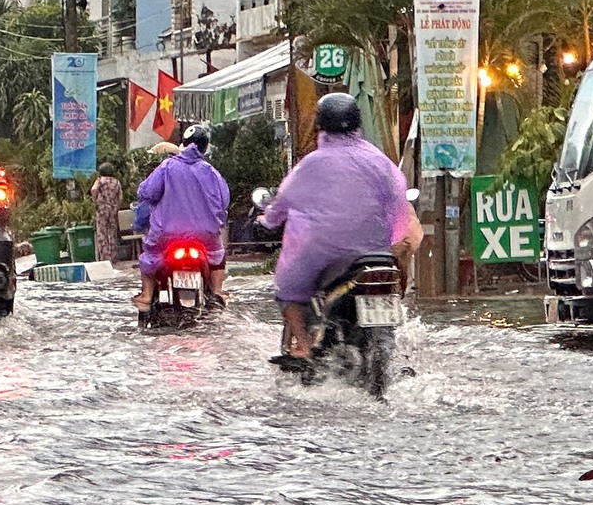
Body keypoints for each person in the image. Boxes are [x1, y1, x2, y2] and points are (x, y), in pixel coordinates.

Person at [258, 92, 422, 360]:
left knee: (287, 291)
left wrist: (268, 219)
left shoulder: (312, 163)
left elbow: (285, 199)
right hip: (377, 253)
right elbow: (398, 203)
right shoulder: (380, 161)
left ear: (321, 124)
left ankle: (303, 345)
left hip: (327, 255)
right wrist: (388, 237)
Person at [135, 124, 230, 311]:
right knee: (217, 254)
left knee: (150, 256)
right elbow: (224, 201)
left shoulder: (167, 167)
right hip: (205, 235)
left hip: (167, 235)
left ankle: (146, 296)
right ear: (205, 147)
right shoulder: (210, 171)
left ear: (183, 144)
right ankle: (218, 291)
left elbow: (147, 192)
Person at [89, 164, 124, 264]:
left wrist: (95, 200)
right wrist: (116, 205)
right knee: (112, 232)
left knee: (102, 232)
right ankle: (113, 256)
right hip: (112, 208)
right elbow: (120, 197)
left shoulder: (100, 180)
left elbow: (93, 189)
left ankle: (105, 257)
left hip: (102, 207)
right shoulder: (116, 182)